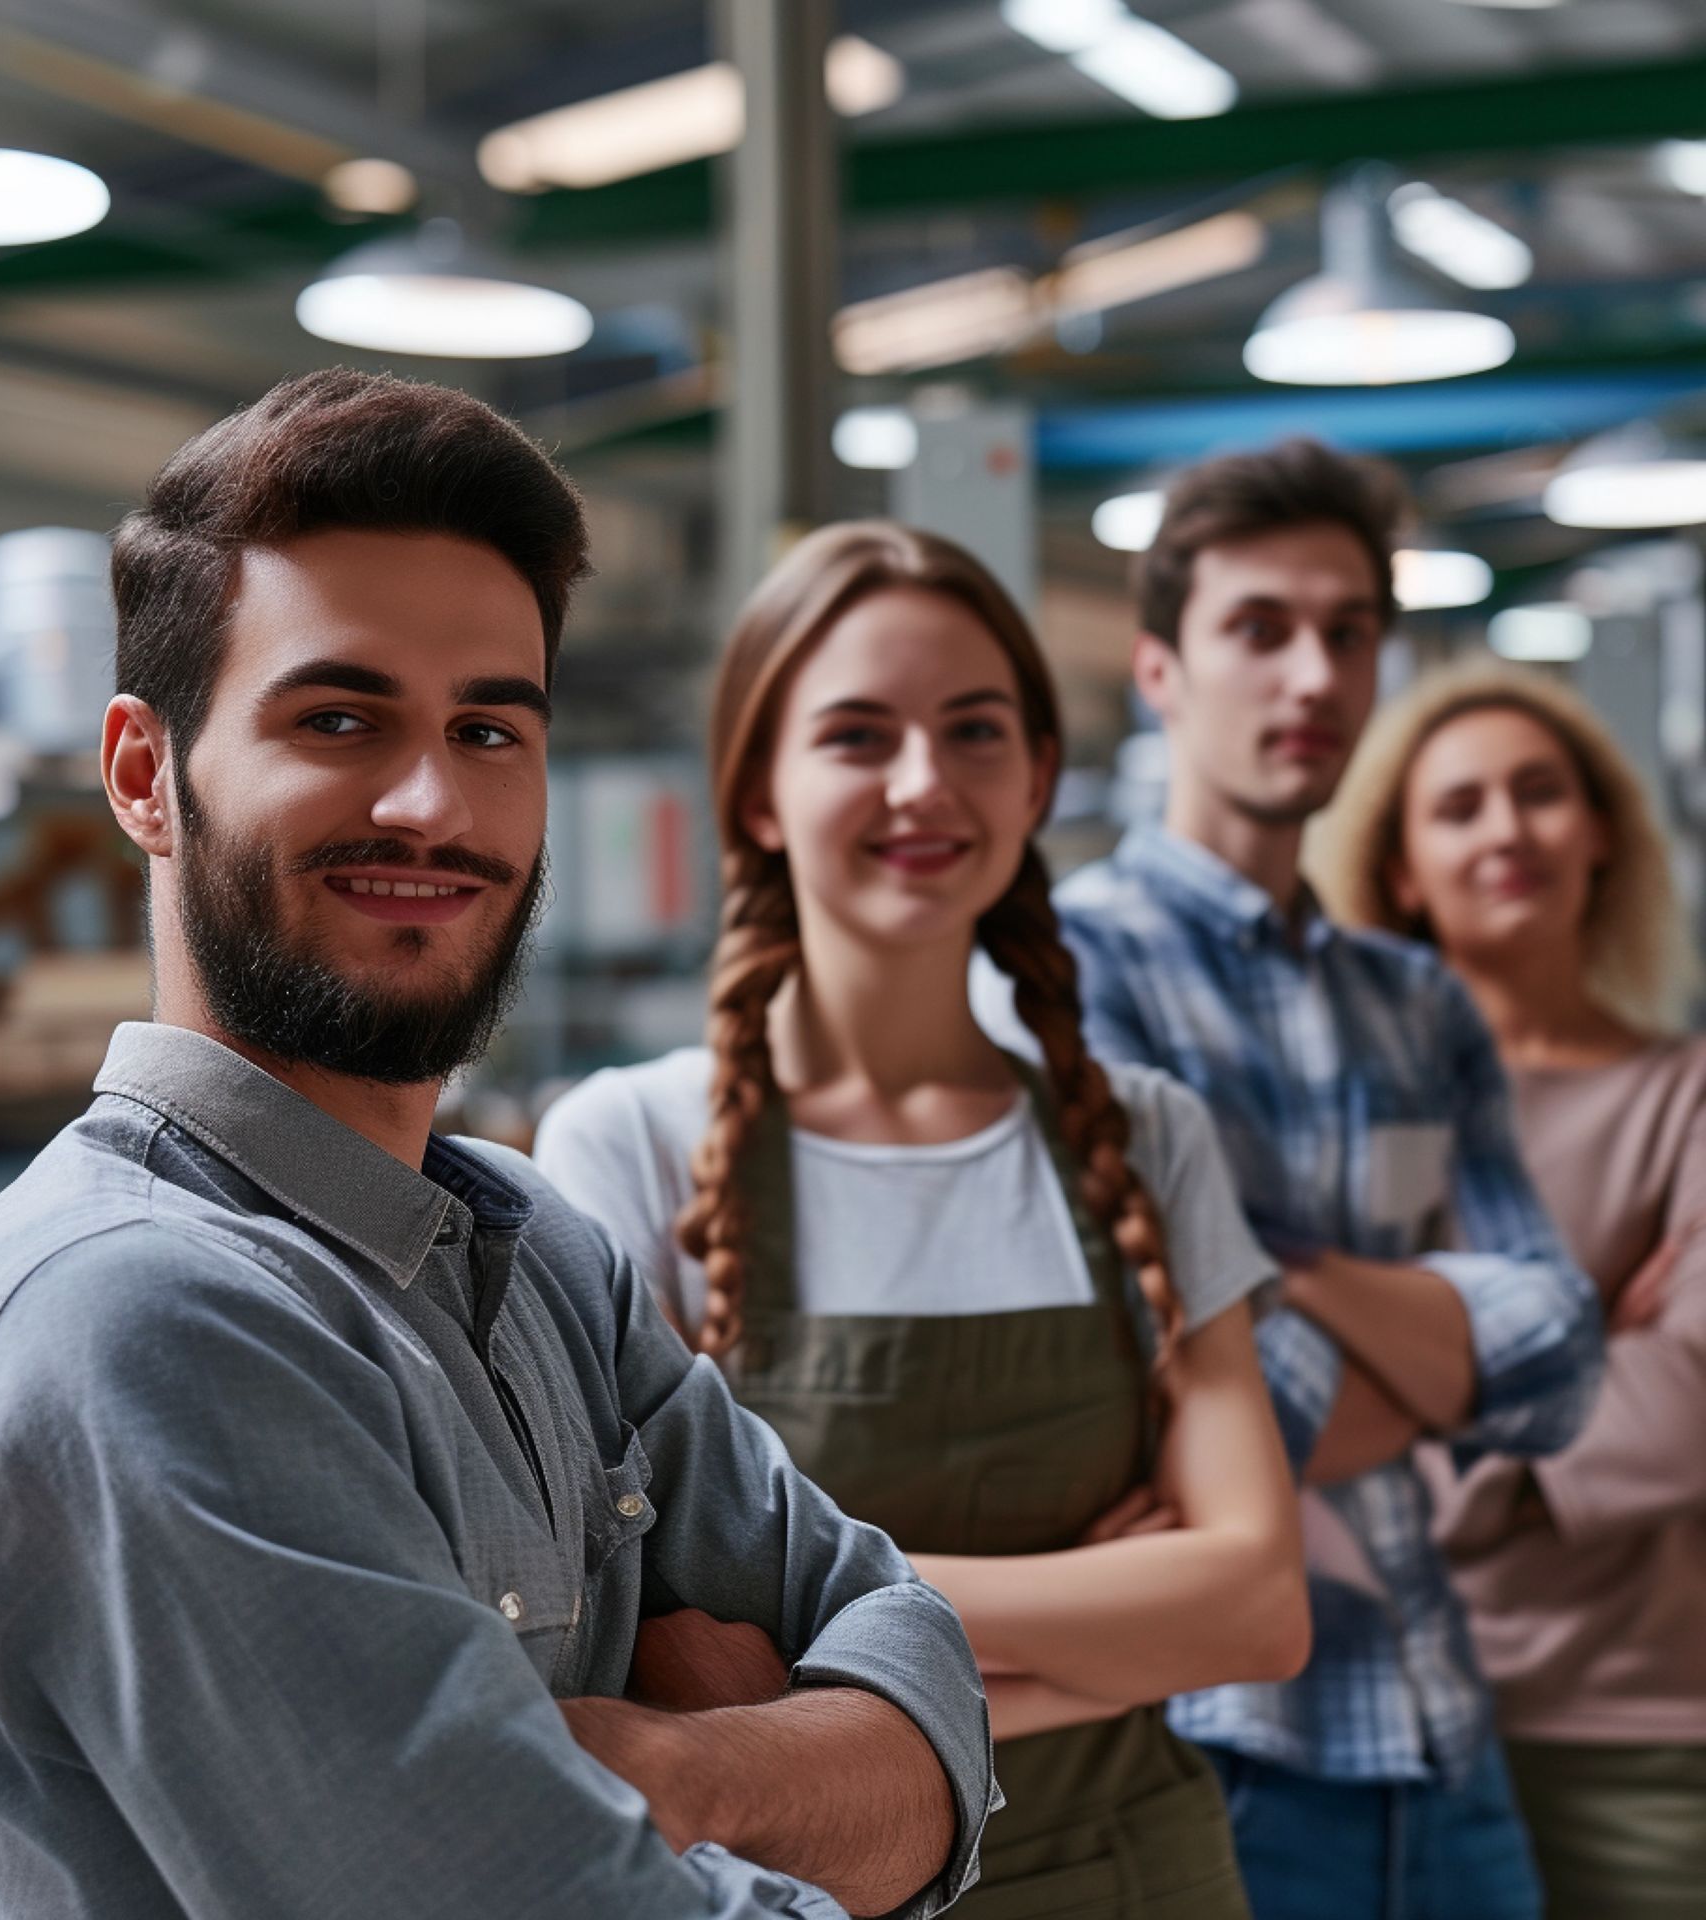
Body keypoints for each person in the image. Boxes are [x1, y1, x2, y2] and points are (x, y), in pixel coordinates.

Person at [0, 371, 997, 1920]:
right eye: (340, 719)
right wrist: (817, 1758)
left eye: (488, 729)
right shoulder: (136, 1312)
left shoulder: (539, 1256)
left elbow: (923, 1663)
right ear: (144, 776)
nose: (430, 804)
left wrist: (686, 1773)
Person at [537, 520, 1310, 1919]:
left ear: (1037, 780)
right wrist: (1113, 1611)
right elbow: (643, 1655)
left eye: (973, 731)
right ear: (758, 790)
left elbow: (1259, 1607)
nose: (922, 783)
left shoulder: (1144, 1137)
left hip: (1134, 1879)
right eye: (855, 735)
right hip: (787, 1891)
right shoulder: (627, 1143)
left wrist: (822, 1675)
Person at [974, 440, 1603, 1920]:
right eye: (1260, 629)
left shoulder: (1420, 1004)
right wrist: (1439, 1348)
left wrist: (1287, 1278)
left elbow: (1563, 1353)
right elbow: (1145, 1398)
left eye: (1348, 632)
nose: (1311, 675)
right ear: (1160, 670)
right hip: (1217, 1746)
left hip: (1448, 1737)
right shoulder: (1062, 977)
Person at [1311, 655, 1706, 1920]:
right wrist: (1574, 1349)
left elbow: (1686, 1400)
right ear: (1400, 867)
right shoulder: (1352, 1120)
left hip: (1631, 1725)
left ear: (1601, 831)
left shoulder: (1684, 1096)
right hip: (1376, 1711)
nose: (1508, 830)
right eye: (1461, 805)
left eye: (1539, 792)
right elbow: (1275, 1384)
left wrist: (1407, 1387)